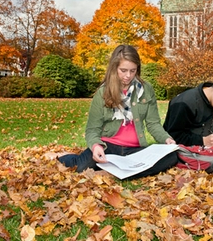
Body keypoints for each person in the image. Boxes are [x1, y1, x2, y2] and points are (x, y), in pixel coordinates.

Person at [58, 44, 178, 178]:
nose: (128, 76)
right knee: (80, 166)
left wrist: (167, 139)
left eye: (133, 71)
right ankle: (62, 157)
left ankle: (112, 172)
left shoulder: (146, 90)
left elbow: (153, 124)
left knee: (172, 157)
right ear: (114, 68)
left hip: (135, 150)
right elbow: (92, 129)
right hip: (108, 146)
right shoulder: (103, 92)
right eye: (123, 70)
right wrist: (96, 146)